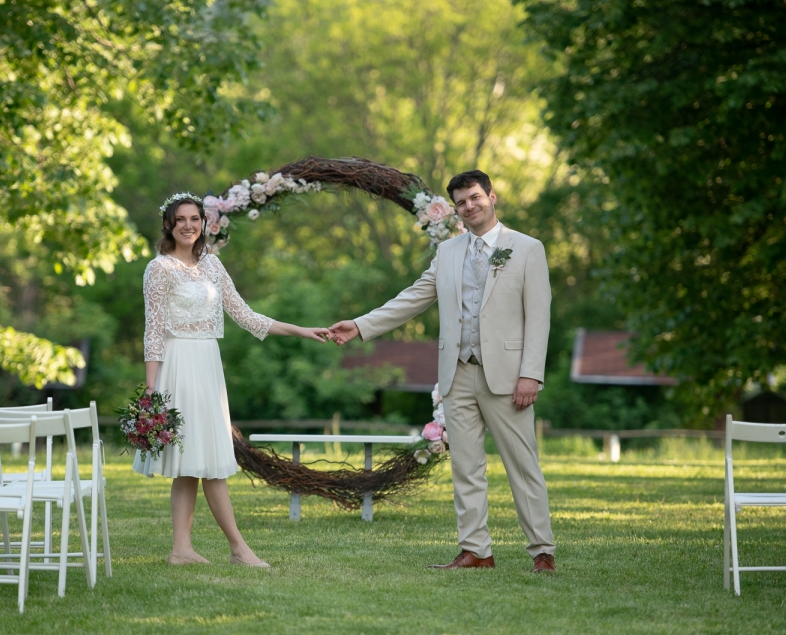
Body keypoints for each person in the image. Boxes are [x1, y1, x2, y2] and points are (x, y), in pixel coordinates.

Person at [329, 170, 556, 573]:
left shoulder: (526, 248)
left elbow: (539, 316)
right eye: (462, 202)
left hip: (508, 376)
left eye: (475, 198)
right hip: (457, 374)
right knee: (466, 467)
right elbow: (413, 297)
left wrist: (531, 374)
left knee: (523, 466)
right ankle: (476, 551)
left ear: (492, 196)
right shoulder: (448, 253)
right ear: (456, 209)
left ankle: (541, 551)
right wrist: (362, 325)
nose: (470, 207)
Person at [136, 192, 329, 568]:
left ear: (204, 224)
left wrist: (301, 331)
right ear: (169, 225)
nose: (189, 226)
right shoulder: (158, 269)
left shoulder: (212, 264)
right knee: (203, 459)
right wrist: (150, 389)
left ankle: (182, 549)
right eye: (181, 220)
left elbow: (246, 315)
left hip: (208, 363)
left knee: (197, 460)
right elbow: (153, 331)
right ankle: (238, 548)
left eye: (195, 219)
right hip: (179, 365)